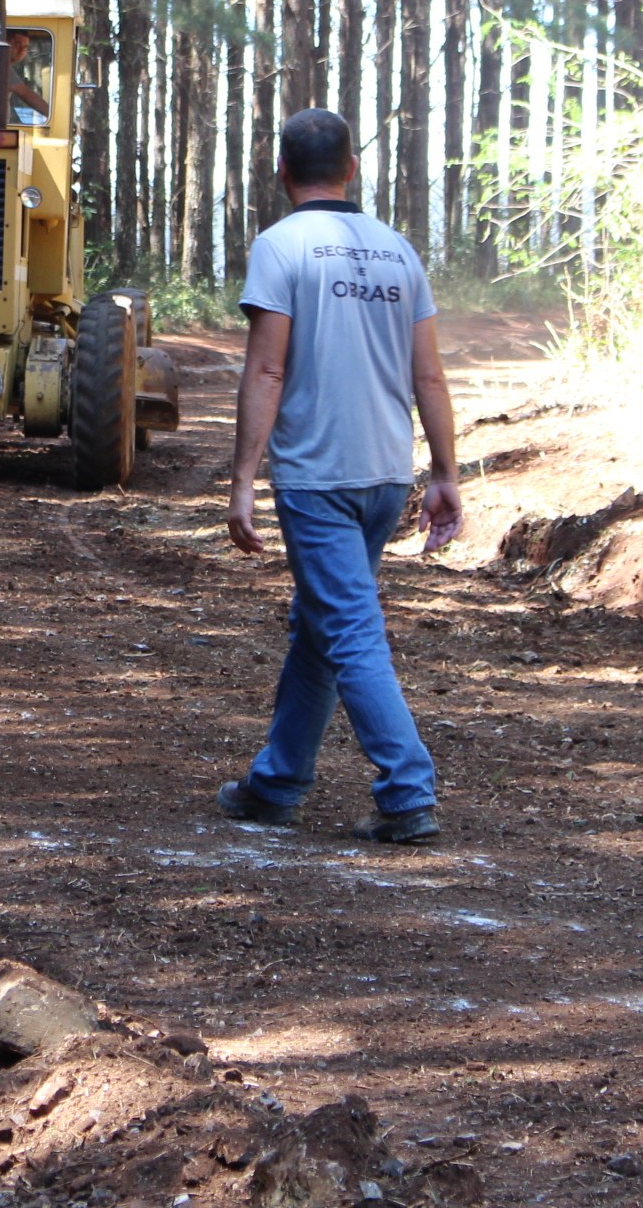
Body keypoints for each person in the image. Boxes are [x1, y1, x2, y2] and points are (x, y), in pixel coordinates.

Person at [218, 107, 462, 844]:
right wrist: (446, 473)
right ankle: (277, 782)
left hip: (319, 477)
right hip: (387, 475)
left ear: (282, 172)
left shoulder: (280, 245)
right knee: (321, 626)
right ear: (352, 169)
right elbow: (431, 376)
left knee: (348, 628)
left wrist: (241, 482)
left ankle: (408, 790)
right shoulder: (397, 251)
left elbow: (266, 368)